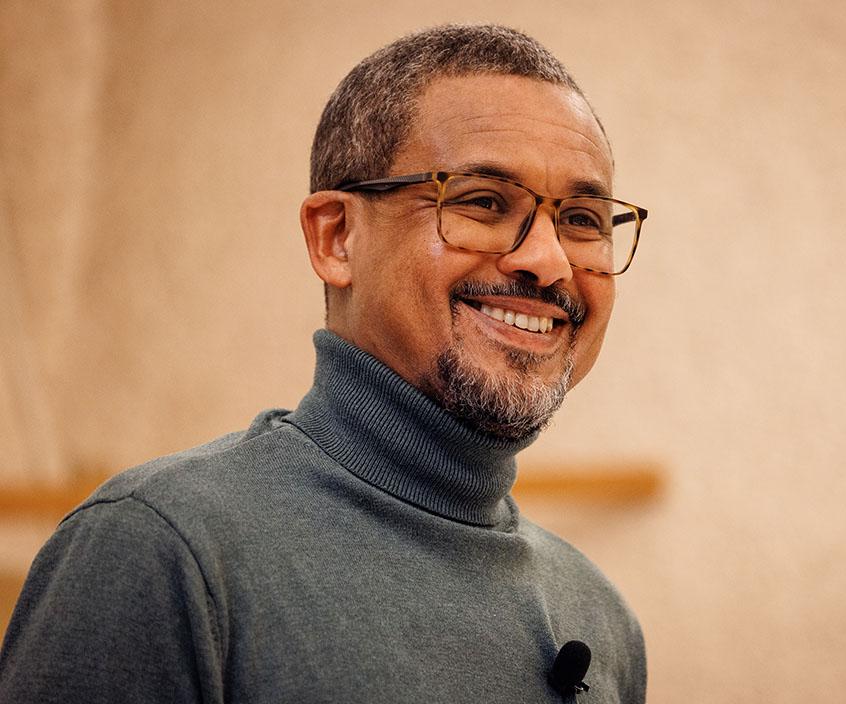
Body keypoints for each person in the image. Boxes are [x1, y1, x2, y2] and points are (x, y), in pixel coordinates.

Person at [0, 24, 648, 703]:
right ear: (337, 237)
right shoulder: (159, 552)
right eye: (483, 202)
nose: (547, 260)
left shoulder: (600, 617)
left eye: (582, 219)